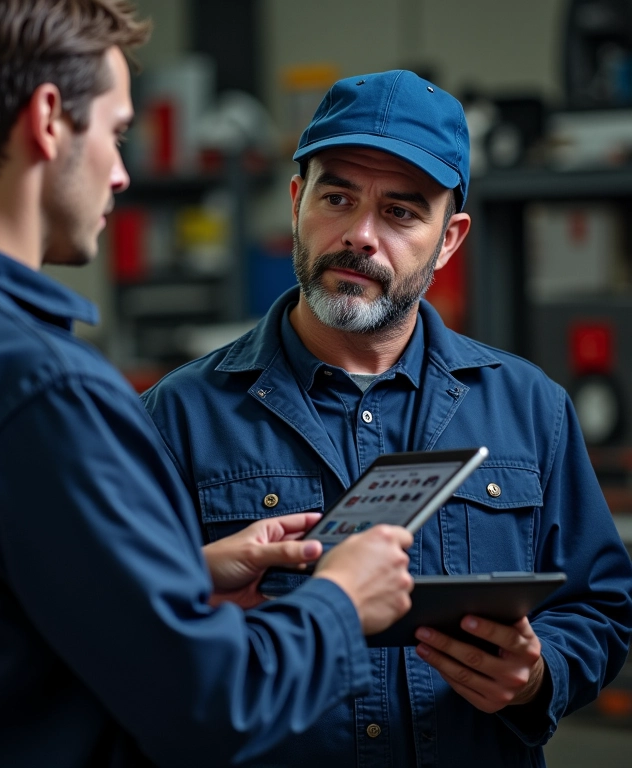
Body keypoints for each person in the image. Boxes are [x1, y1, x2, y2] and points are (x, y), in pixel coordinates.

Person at [0, 4, 417, 767]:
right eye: (117, 132)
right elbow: (214, 705)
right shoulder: (44, 391)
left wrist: (183, 573)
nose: (121, 171)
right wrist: (340, 601)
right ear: (50, 120)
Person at [142, 69, 632, 767]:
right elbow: (117, 642)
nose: (361, 236)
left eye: (401, 213)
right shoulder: (177, 417)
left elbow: (600, 607)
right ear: (295, 203)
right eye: (337, 197)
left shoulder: (531, 409)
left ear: (450, 239)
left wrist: (538, 672)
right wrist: (190, 597)